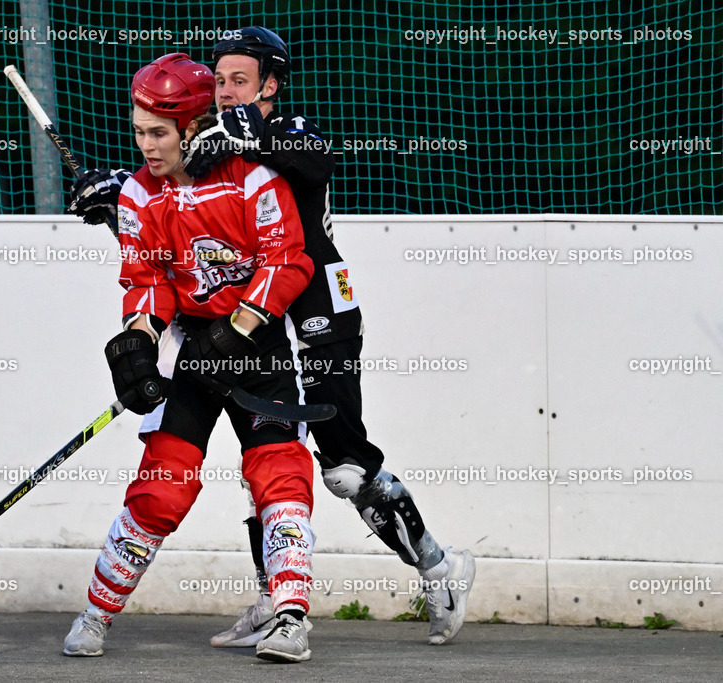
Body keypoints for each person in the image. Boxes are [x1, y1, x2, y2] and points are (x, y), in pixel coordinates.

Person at [69, 28, 475, 648]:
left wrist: (227, 140)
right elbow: (182, 199)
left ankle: (438, 567)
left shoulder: (287, 133)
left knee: (340, 467)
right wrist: (119, 189)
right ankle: (274, 601)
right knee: (267, 458)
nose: (228, 90)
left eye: (241, 80)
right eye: (220, 79)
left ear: (270, 87)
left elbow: (307, 163)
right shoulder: (209, 144)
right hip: (253, 324)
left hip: (318, 314)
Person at [62, 52, 318, 663]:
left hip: (256, 350)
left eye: (158, 133)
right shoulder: (138, 195)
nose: (146, 146)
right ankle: (97, 611)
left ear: (196, 125)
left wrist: (238, 329)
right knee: (162, 488)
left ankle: (289, 617)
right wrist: (138, 346)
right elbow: (145, 280)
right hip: (192, 351)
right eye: (138, 132)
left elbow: (289, 262)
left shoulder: (253, 179)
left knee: (279, 473)